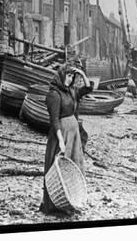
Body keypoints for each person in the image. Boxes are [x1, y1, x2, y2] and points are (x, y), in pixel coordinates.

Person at [39, 64, 93, 214]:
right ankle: (55, 204)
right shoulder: (54, 94)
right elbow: (54, 120)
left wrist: (81, 73)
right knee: (58, 166)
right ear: (61, 75)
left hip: (73, 133)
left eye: (72, 76)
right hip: (61, 133)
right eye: (68, 76)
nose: (70, 79)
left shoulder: (71, 91)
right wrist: (61, 141)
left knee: (73, 164)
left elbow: (88, 89)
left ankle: (70, 201)